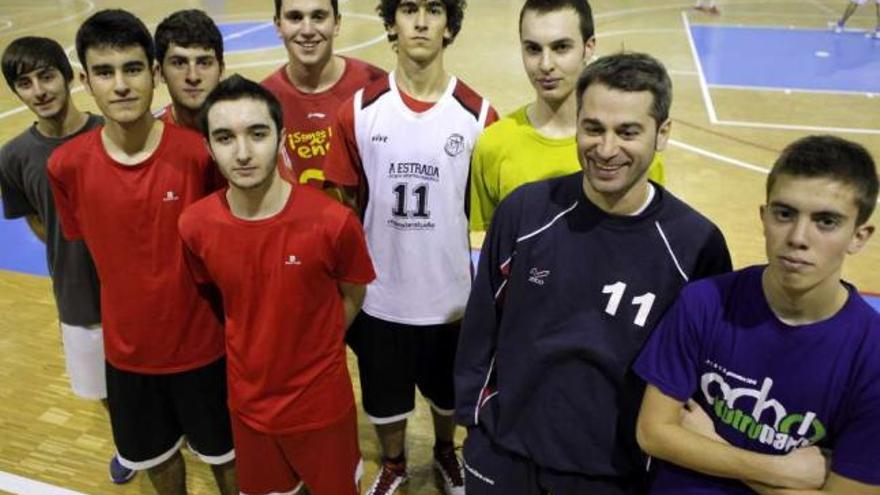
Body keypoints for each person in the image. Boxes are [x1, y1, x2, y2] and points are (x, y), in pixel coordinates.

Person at [454, 52, 732, 495]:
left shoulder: (695, 246)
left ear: (662, 134)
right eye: (593, 128)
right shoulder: (525, 212)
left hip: (613, 477)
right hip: (504, 458)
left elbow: (696, 377)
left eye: (627, 132)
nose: (606, 149)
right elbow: (481, 328)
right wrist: (472, 426)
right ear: (578, 122)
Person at [46, 10, 236, 495]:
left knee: (229, 465)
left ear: (153, 74)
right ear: (85, 81)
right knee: (159, 464)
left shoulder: (199, 156)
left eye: (132, 69)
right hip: (129, 360)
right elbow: (88, 246)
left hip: (206, 352)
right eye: (105, 72)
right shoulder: (65, 166)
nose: (121, 85)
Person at [634, 135, 880, 495]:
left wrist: (711, 442)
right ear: (764, 218)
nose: (798, 237)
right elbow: (653, 433)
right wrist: (782, 471)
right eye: (785, 214)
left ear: (859, 236)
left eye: (825, 221)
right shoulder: (703, 302)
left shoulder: (872, 358)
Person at [323, 1, 498, 493]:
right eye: (408, 8)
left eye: (434, 9)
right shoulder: (357, 111)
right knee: (383, 400)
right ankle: (395, 463)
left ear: (450, 25)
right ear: (391, 23)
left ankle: (446, 453)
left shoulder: (480, 116)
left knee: (448, 396)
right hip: (381, 297)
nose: (421, 21)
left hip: (450, 300)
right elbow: (339, 208)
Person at [179, 74, 375, 495]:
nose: (244, 152)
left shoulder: (334, 222)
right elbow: (218, 298)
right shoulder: (194, 226)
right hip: (248, 410)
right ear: (209, 148)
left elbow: (354, 293)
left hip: (322, 410)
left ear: (282, 138)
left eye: (258, 133)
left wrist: (312, 345)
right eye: (225, 138)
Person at [0, 36, 135, 485]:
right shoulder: (13, 157)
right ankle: (128, 443)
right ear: (15, 92)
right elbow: (37, 220)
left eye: (46, 76)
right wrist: (73, 246)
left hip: (135, 286)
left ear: (70, 76)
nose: (39, 90)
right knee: (103, 388)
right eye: (25, 82)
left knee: (155, 371)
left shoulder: (112, 130)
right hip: (76, 291)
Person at [469, 0, 665, 233]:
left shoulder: (630, 155)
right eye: (533, 49)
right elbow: (486, 247)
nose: (545, 65)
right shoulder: (493, 145)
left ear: (589, 48)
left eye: (561, 47)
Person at [262, 0, 386, 186]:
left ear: (336, 23)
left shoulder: (375, 87)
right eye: (295, 18)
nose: (307, 30)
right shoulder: (262, 100)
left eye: (318, 17)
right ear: (278, 26)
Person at [153, 9, 225, 130]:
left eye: (204, 63)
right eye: (179, 63)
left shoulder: (250, 126)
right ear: (160, 73)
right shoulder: (146, 136)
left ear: (221, 70)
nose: (193, 77)